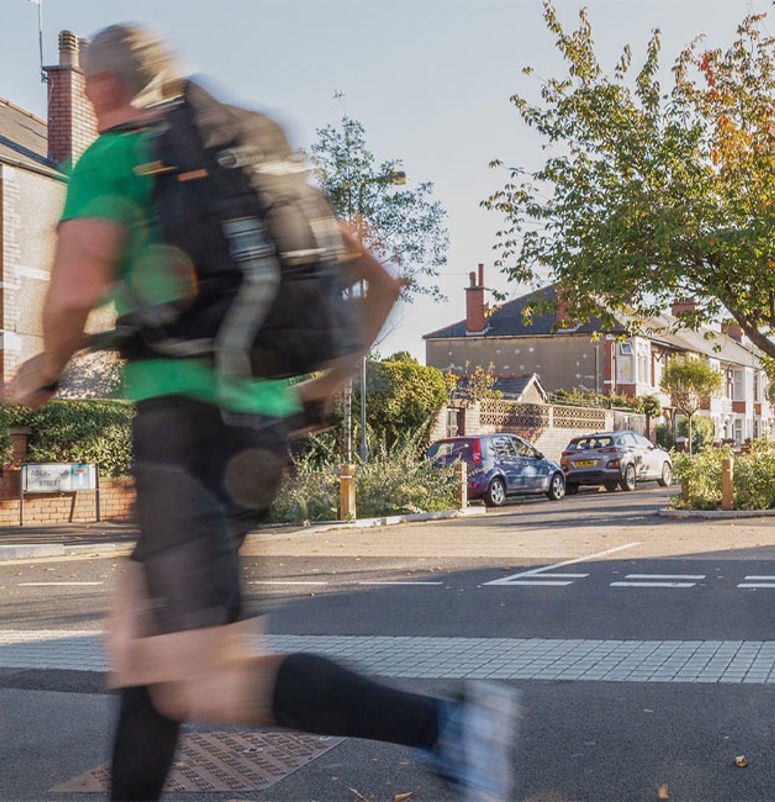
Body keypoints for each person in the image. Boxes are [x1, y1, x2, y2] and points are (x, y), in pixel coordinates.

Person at [4, 23, 516, 802]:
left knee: (203, 679)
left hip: (187, 432)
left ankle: (445, 725)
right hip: (253, 428)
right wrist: (333, 379)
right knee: (140, 649)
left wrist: (45, 368)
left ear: (94, 89)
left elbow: (73, 291)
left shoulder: (118, 156)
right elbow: (377, 280)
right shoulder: (246, 166)